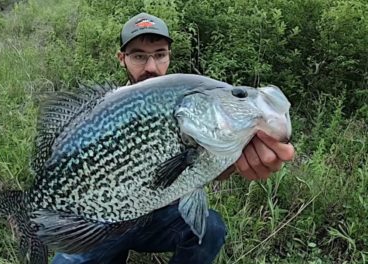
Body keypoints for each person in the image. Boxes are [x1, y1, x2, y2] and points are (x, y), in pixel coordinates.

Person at [52, 13, 295, 264]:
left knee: (210, 229)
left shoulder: (189, 97)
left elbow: (201, 169)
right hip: (106, 218)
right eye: (138, 56)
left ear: (169, 55)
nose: (151, 67)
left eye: (160, 54)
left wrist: (235, 157)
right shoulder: (103, 111)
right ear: (121, 58)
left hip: (161, 218)